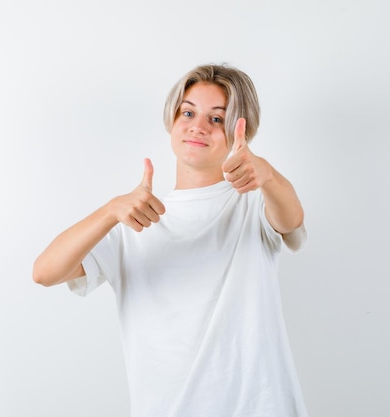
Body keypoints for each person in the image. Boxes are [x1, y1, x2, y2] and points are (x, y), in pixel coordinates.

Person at [33, 64, 309, 417]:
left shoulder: (253, 202)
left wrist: (267, 174)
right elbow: (44, 272)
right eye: (189, 112)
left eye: (216, 118)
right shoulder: (132, 220)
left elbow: (292, 224)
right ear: (172, 120)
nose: (197, 125)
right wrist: (108, 211)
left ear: (241, 130)